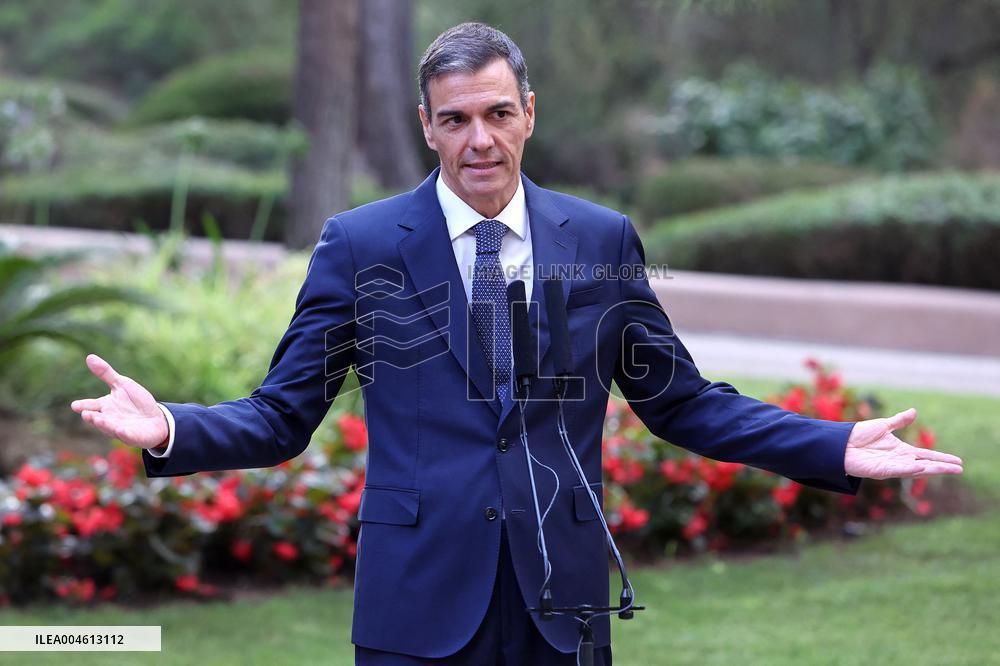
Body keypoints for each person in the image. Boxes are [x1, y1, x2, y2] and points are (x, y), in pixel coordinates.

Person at [71, 22, 964, 666]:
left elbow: (679, 401)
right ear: (427, 127)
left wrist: (830, 443)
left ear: (529, 113)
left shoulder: (601, 239)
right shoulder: (362, 244)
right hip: (417, 605)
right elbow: (282, 415)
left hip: (561, 602)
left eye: (496, 113)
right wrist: (171, 433)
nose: (479, 140)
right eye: (454, 120)